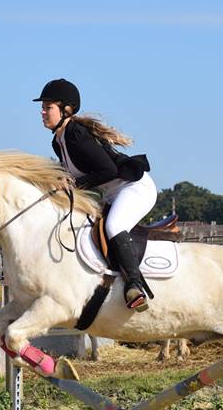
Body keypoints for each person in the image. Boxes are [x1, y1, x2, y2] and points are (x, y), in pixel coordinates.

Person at [35, 78, 157, 312]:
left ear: (66, 109)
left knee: (113, 225)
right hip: (111, 193)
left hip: (133, 187)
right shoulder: (58, 140)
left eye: (47, 107)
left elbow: (108, 171)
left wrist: (74, 183)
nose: (42, 112)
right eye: (43, 107)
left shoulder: (76, 135)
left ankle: (135, 286)